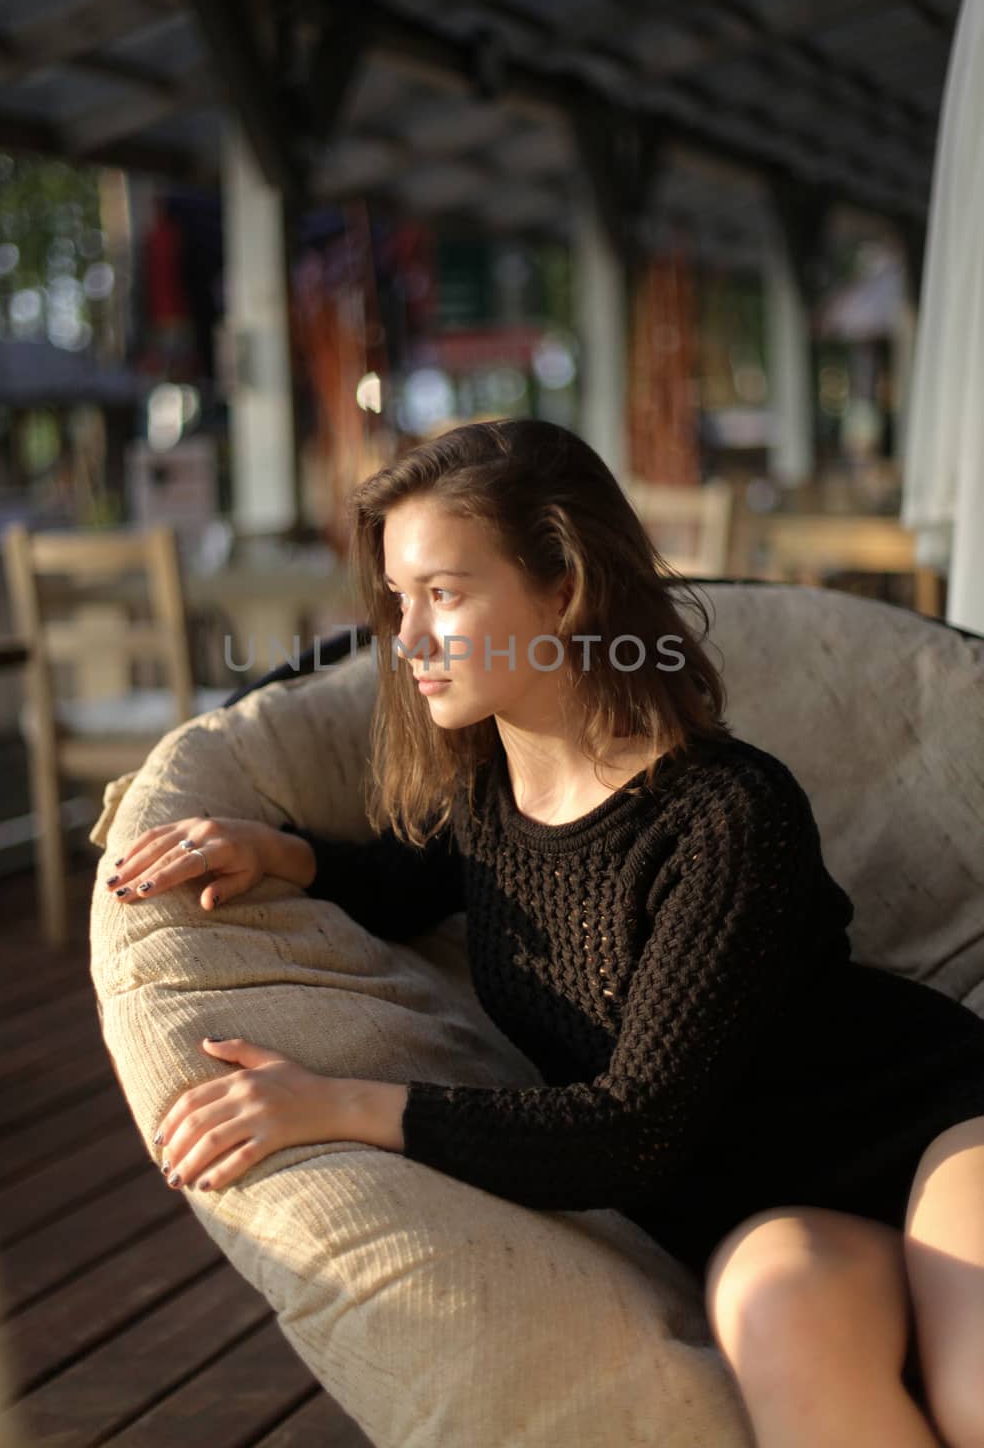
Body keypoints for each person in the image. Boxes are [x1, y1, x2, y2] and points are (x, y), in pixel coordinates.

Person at [109, 418, 984, 1448]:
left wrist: (334, 1103)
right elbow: (412, 879)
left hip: (932, 1128)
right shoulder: (485, 798)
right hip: (767, 1204)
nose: (409, 639)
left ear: (561, 587)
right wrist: (281, 852)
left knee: (972, 1396)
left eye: (444, 593)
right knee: (781, 1320)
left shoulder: (725, 813)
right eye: (399, 599)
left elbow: (631, 1128)